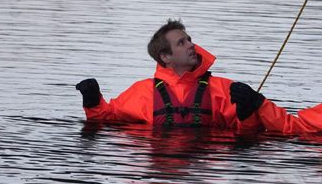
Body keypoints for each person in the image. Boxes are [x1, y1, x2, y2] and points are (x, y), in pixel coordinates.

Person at [76, 19, 265, 133]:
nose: (192, 45)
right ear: (165, 57)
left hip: (203, 166)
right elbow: (105, 118)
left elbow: (250, 132)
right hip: (163, 156)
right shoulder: (143, 92)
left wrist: (247, 113)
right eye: (182, 43)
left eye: (189, 40)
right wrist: (92, 101)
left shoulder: (223, 89)